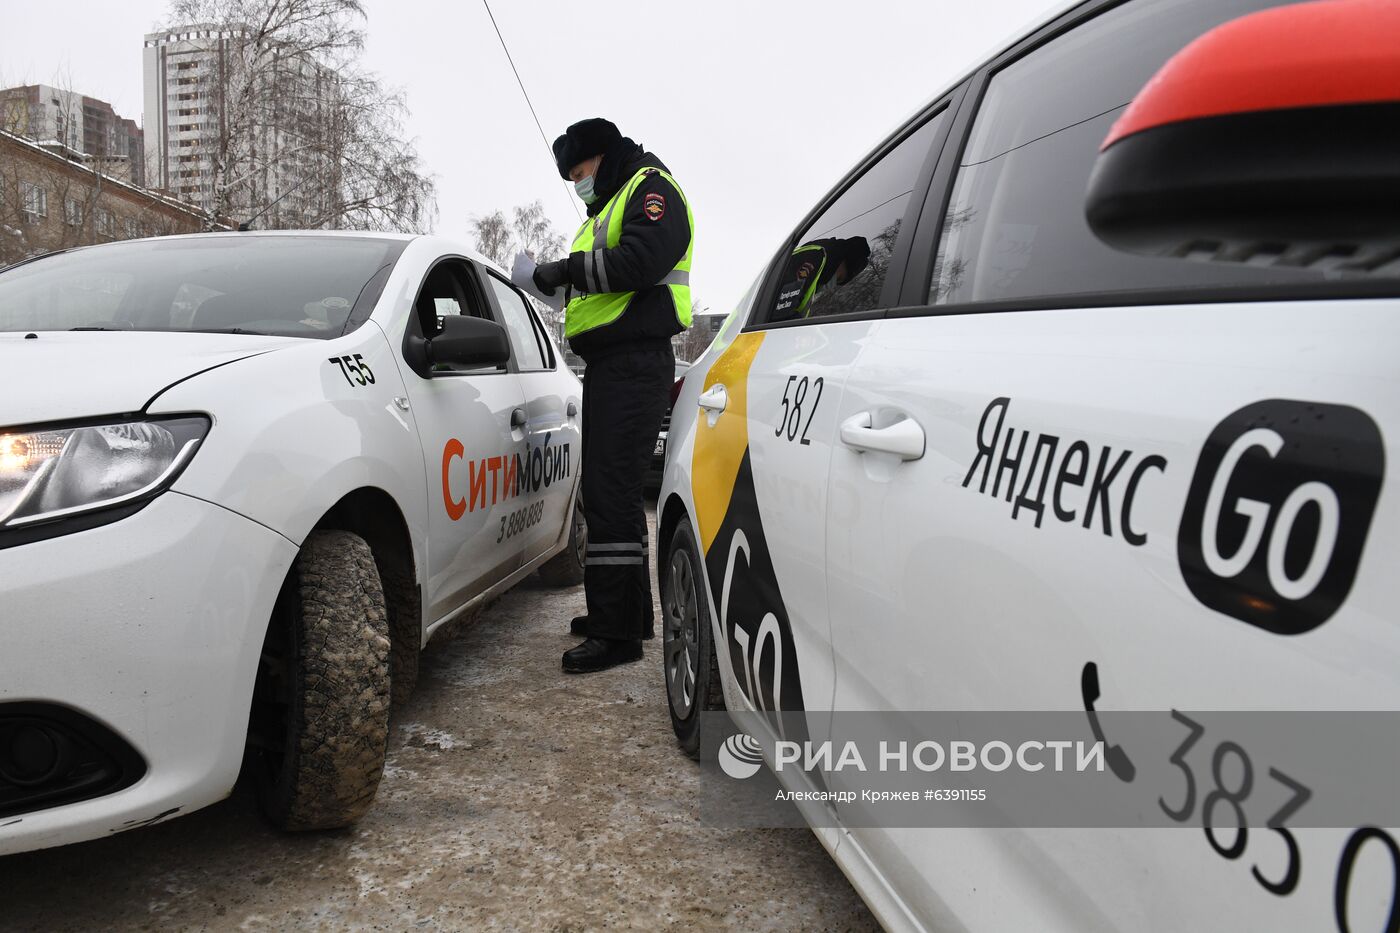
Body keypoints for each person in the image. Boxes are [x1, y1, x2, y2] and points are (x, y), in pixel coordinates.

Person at [519, 117, 694, 674]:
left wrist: (563, 270)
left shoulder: (651, 189)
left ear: (600, 156)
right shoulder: (610, 205)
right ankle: (626, 615)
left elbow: (642, 262)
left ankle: (616, 635)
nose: (578, 184)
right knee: (605, 494)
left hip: (636, 362)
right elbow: (605, 278)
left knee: (611, 494)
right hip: (610, 366)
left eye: (580, 172)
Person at [769, 235, 870, 322]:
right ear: (841, 261)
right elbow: (782, 313)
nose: (832, 285)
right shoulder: (813, 256)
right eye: (838, 278)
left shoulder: (818, 268)